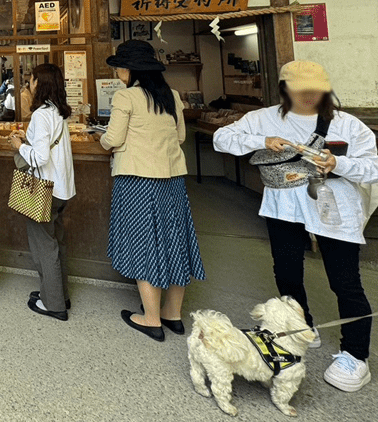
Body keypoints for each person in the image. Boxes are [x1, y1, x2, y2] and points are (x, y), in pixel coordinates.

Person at [214, 60, 376, 392]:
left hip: (334, 208)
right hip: (283, 206)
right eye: (299, 90)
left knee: (344, 282)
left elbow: (373, 167)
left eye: (315, 90)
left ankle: (356, 356)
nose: (308, 96)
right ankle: (304, 327)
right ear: (285, 89)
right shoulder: (265, 117)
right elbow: (222, 138)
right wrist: (262, 139)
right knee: (287, 273)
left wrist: (338, 162)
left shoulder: (347, 125)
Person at [100, 40, 204, 341]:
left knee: (143, 241)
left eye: (120, 67)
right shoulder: (171, 95)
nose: (118, 71)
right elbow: (181, 136)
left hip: (137, 180)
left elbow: (113, 139)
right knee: (174, 240)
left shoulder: (126, 97)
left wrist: (105, 142)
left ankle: (150, 317)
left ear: (130, 69)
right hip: (172, 180)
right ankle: (173, 315)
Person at [8, 63, 75, 321]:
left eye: (32, 79)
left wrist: (18, 144)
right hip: (63, 188)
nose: (29, 83)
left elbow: (39, 157)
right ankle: (59, 293)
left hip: (44, 188)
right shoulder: (59, 111)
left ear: (39, 83)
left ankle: (54, 304)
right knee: (57, 243)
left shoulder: (40, 115)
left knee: (44, 247)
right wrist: (29, 141)